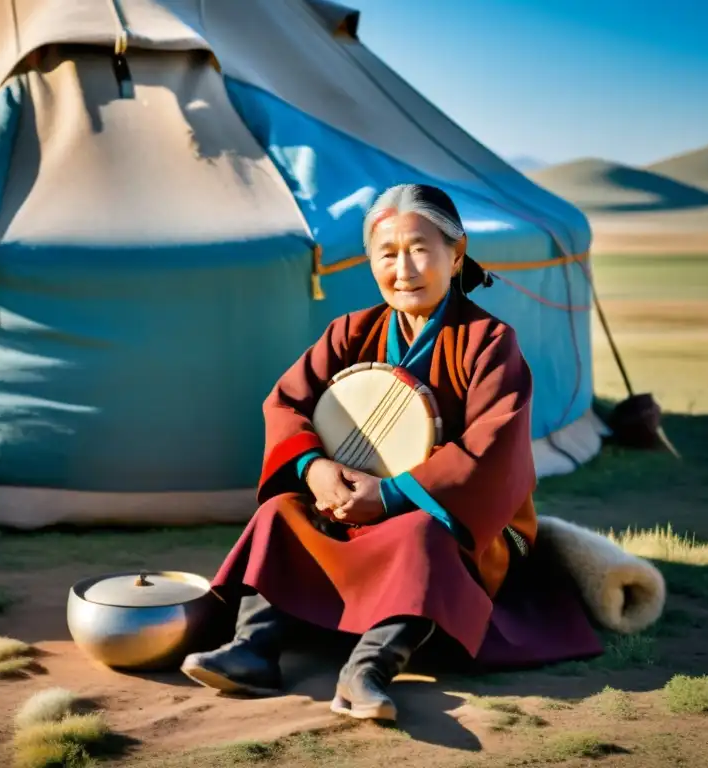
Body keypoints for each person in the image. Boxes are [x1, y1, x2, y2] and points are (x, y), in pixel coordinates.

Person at [180, 183, 601, 721]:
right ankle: (253, 649)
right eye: (387, 253)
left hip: (447, 520)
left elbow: (493, 451)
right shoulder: (350, 332)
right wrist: (315, 468)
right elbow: (286, 405)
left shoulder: (490, 342)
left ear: (457, 252)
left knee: (420, 535)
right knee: (279, 514)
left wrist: (394, 494)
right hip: (351, 508)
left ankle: (367, 671)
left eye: (420, 249)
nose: (404, 268)